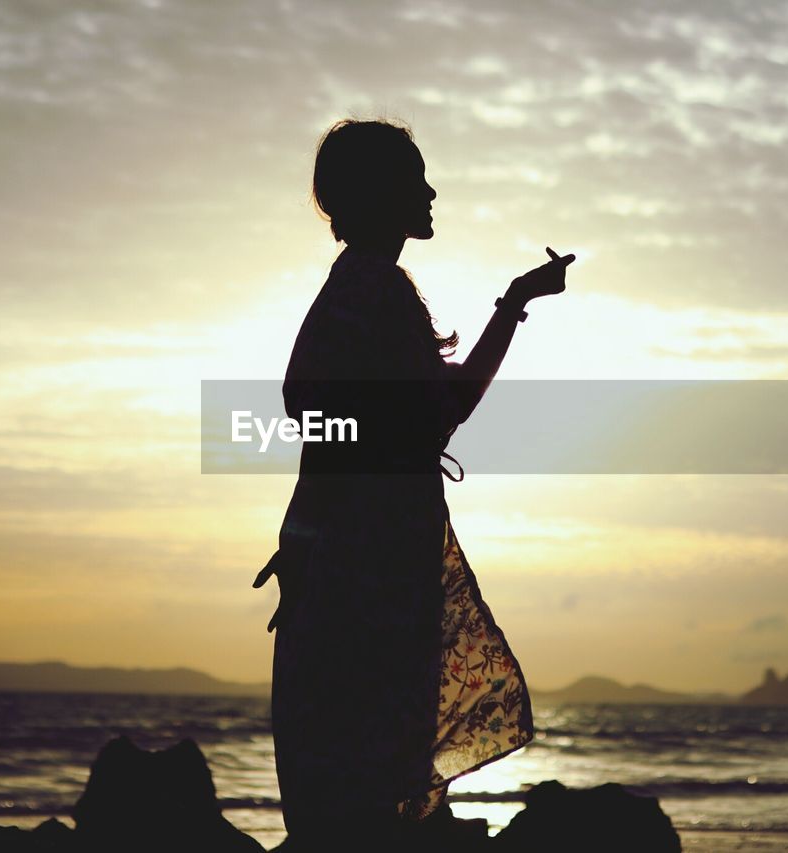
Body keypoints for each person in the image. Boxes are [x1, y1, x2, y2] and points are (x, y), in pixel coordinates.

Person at [253, 118, 575, 852]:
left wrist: (301, 534)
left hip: (361, 542)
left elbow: (329, 427)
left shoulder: (357, 290)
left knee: (355, 742)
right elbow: (432, 413)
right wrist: (515, 303)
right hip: (374, 552)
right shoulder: (374, 292)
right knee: (373, 752)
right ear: (380, 193)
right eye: (415, 179)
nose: (430, 192)